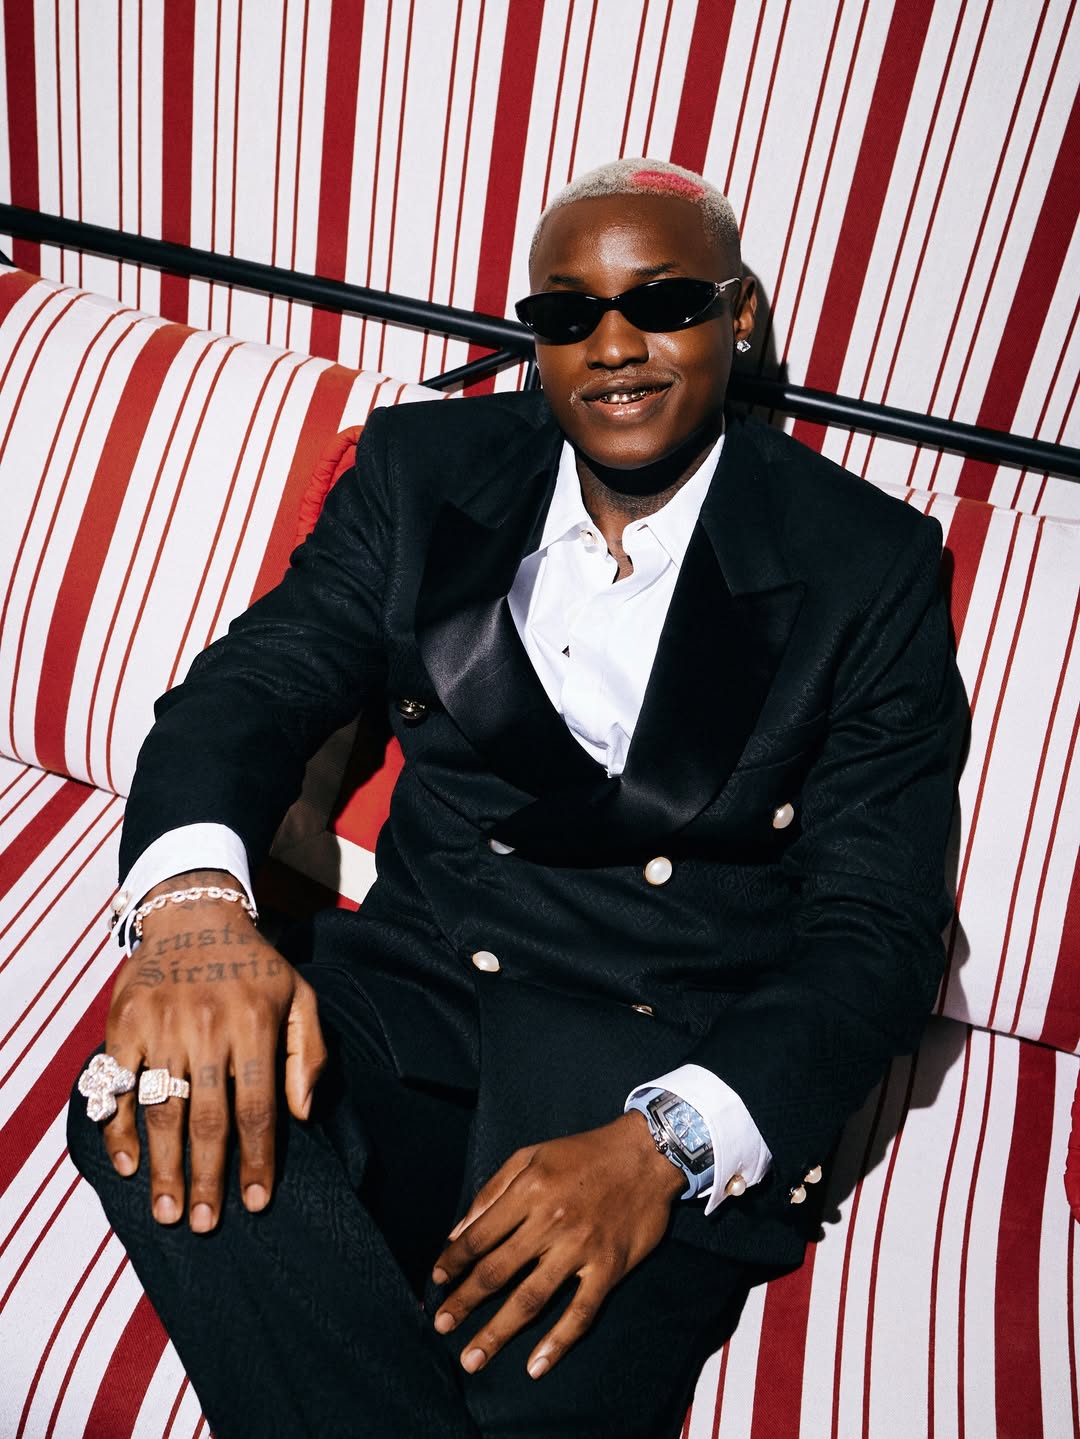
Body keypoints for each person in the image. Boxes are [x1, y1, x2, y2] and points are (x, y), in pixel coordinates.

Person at [69, 157, 967, 1439]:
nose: (614, 346)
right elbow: (255, 688)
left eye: (663, 302)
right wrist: (193, 912)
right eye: (567, 313)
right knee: (148, 1097)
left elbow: (879, 930)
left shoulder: (864, 561)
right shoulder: (424, 466)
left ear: (740, 315)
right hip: (422, 993)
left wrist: (664, 1147)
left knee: (516, 1399)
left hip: (659, 1057)